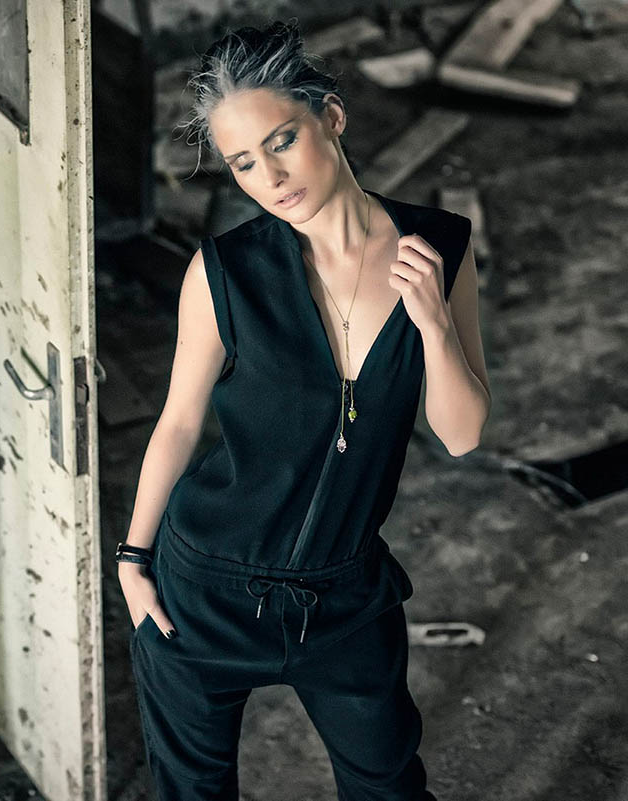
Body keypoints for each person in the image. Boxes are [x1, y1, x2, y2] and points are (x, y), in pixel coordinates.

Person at [115, 19, 492, 801]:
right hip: (206, 590)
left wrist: (432, 324)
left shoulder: (439, 249)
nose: (270, 176)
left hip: (344, 598)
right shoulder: (225, 272)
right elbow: (179, 421)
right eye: (244, 163)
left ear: (332, 116)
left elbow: (461, 435)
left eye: (282, 140)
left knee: (390, 788)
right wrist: (132, 558)